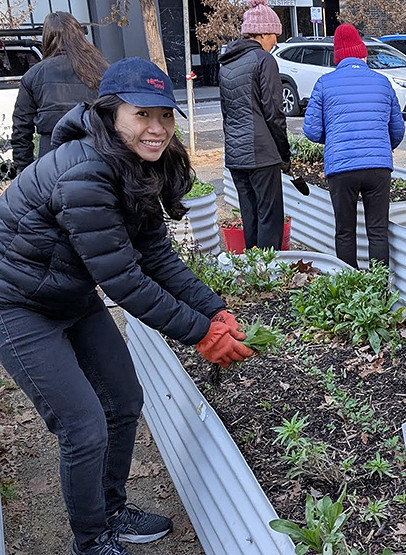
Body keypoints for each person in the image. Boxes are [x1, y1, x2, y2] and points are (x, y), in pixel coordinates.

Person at [0, 57, 254, 555]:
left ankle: (111, 509)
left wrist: (214, 309)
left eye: (165, 116)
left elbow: (156, 253)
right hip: (16, 304)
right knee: (83, 425)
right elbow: (124, 280)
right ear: (111, 113)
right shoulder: (85, 173)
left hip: (68, 293)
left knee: (123, 399)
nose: (157, 129)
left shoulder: (136, 164)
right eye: (143, 115)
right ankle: (91, 540)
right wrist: (201, 333)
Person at [303, 23, 405, 267]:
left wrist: (335, 139)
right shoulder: (382, 82)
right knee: (378, 230)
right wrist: (382, 145)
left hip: (341, 167)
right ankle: (379, 290)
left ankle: (350, 288)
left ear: (337, 56)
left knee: (345, 231)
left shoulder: (325, 83)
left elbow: (311, 130)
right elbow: (398, 128)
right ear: (363, 52)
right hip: (378, 166)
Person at [219, 0, 291, 250]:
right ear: (261, 33)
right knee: (270, 218)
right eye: (274, 35)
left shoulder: (227, 63)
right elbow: (274, 113)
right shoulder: (264, 60)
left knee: (250, 216)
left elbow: (226, 112)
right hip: (261, 154)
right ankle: (270, 273)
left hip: (236, 155)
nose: (276, 41)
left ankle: (253, 274)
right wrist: (284, 153)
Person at [11, 11, 108, 174]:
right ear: (79, 35)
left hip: (52, 156)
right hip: (97, 151)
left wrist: (24, 169)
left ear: (47, 38)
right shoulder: (102, 70)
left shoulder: (33, 75)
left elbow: (21, 127)